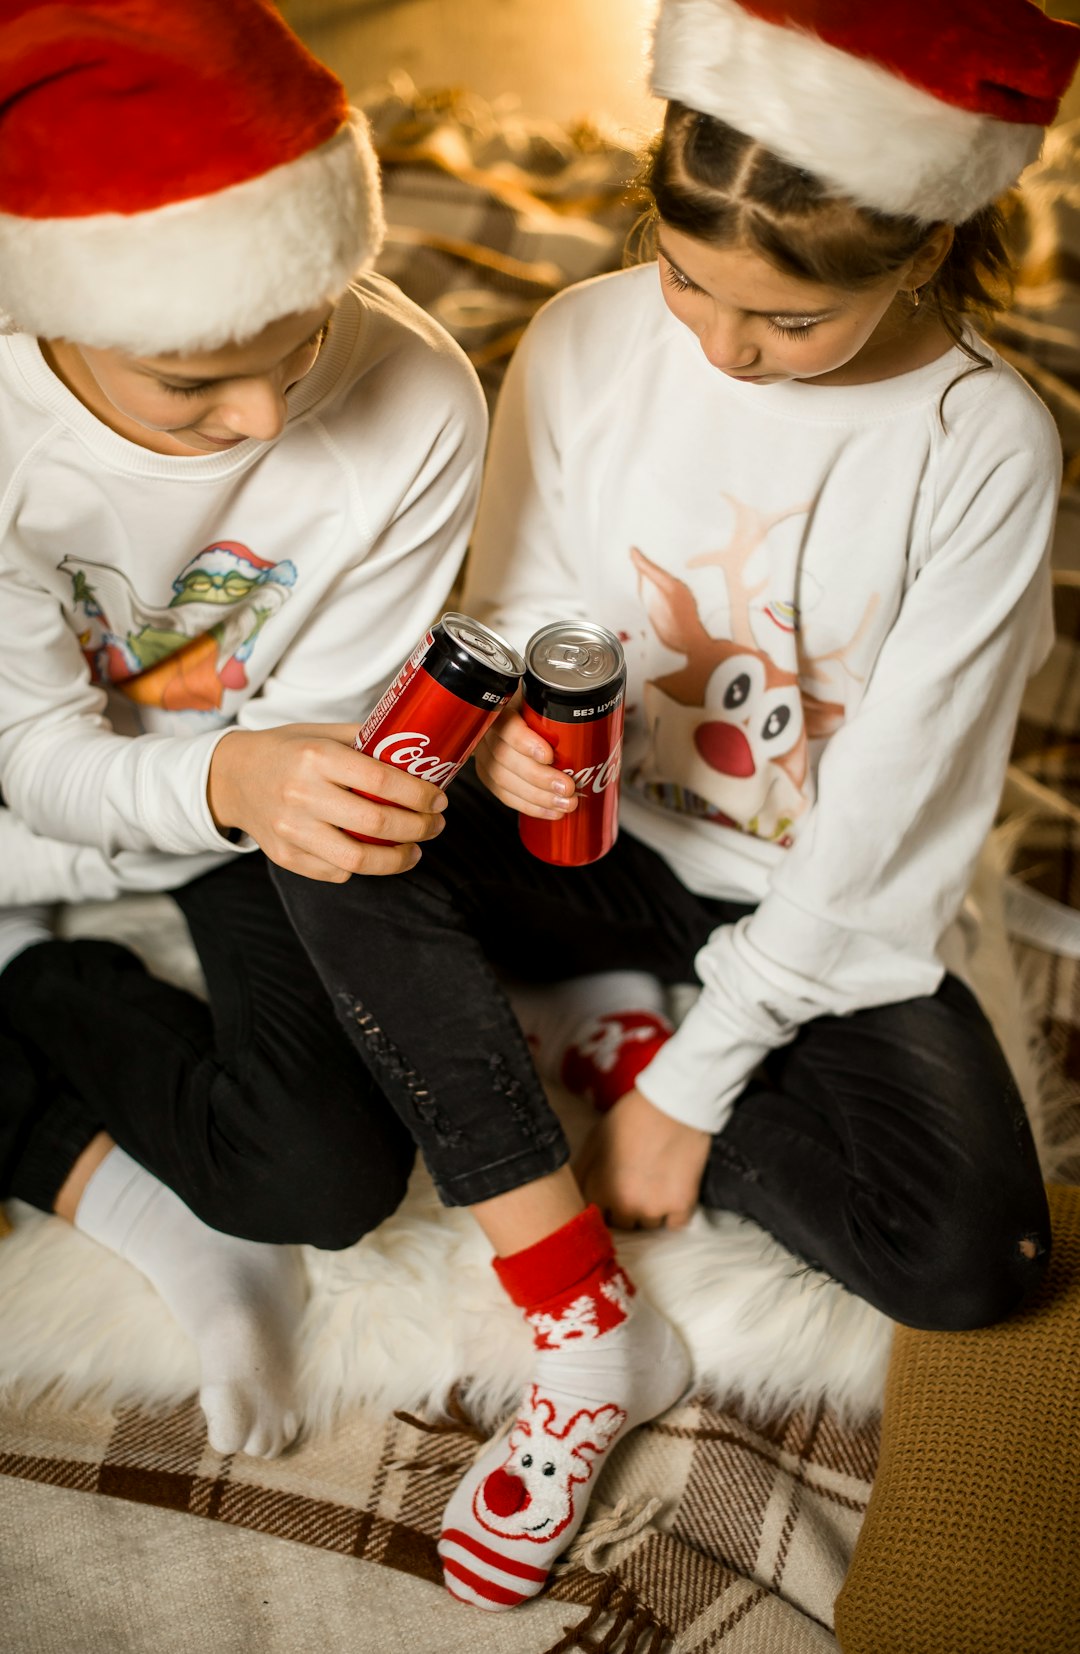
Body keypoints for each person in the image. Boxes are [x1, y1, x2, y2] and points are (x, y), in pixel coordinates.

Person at [273, 0, 1080, 1614]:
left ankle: (597, 1053)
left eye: (784, 320)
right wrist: (500, 743)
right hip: (585, 841)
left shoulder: (984, 443)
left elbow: (887, 838)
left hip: (802, 902)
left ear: (920, 253)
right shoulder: (585, 335)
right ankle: (575, 1304)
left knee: (974, 1257)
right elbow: (518, 601)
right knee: (329, 826)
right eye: (686, 274)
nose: (718, 341)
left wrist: (693, 1088)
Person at [0, 0, 486, 1459]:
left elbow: (310, 735)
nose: (268, 415)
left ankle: (29, 980)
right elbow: (27, 749)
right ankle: (143, 1201)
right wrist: (215, 778)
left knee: (328, 1177)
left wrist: (260, 786)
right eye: (196, 385)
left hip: (239, 799)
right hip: (85, 777)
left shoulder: (419, 402)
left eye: (301, 340)